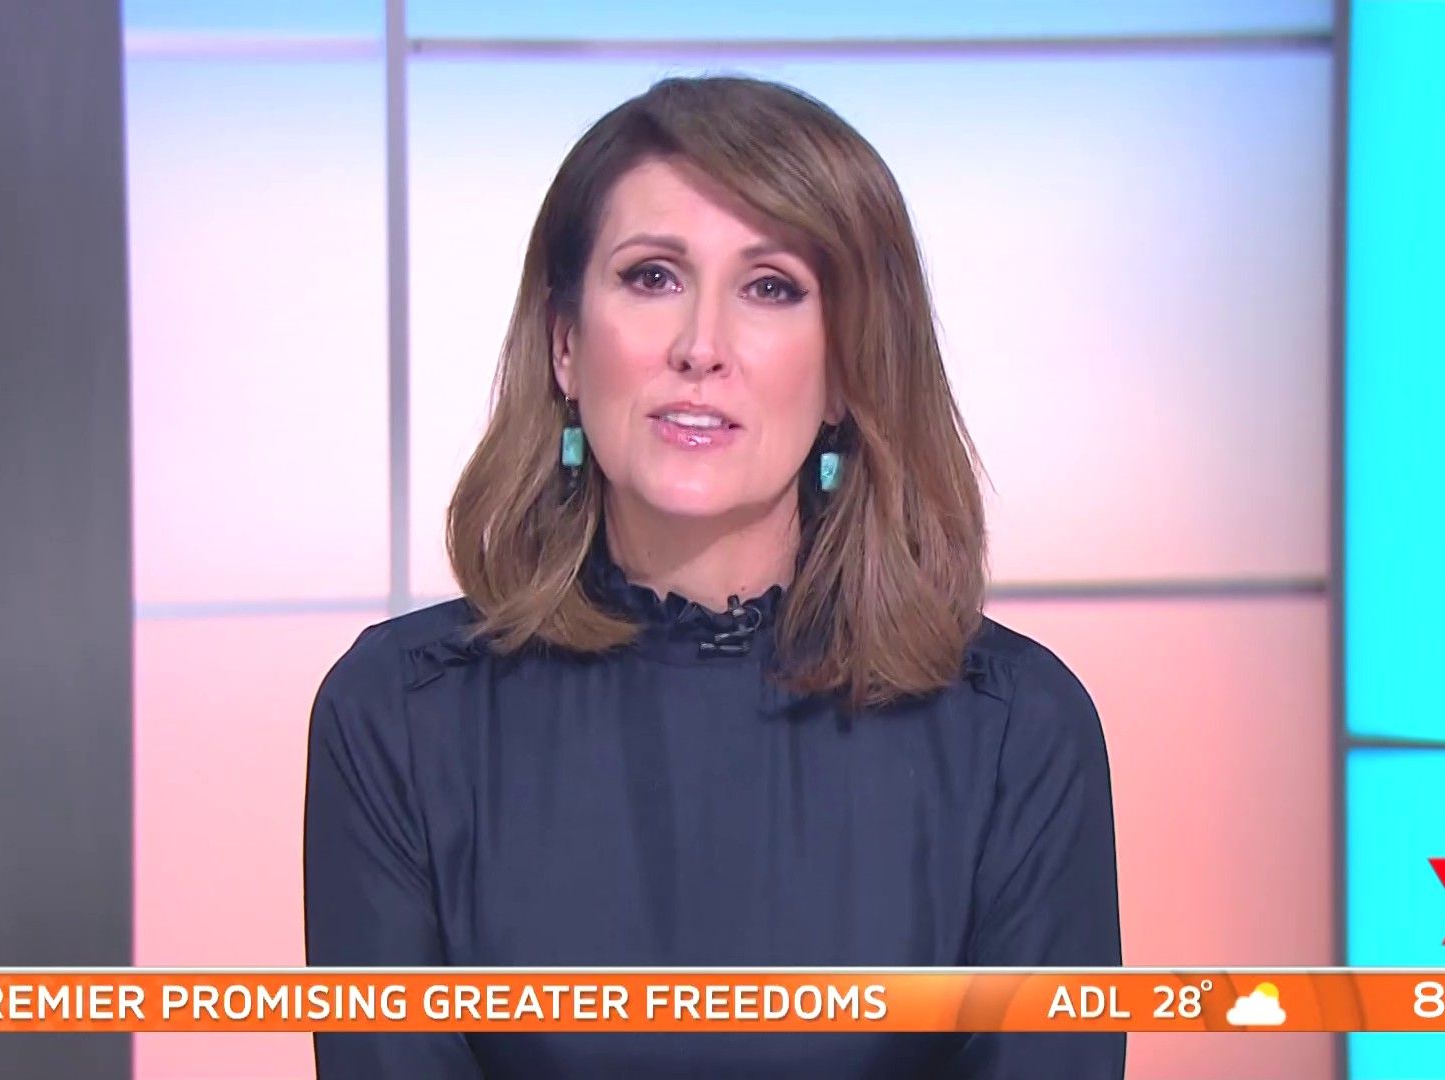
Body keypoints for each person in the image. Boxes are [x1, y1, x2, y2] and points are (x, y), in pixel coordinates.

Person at [304, 75, 1123, 1078]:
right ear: (566, 344)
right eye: (653, 277)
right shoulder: (397, 716)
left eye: (770, 287)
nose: (701, 347)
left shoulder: (1016, 732)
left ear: (848, 369)